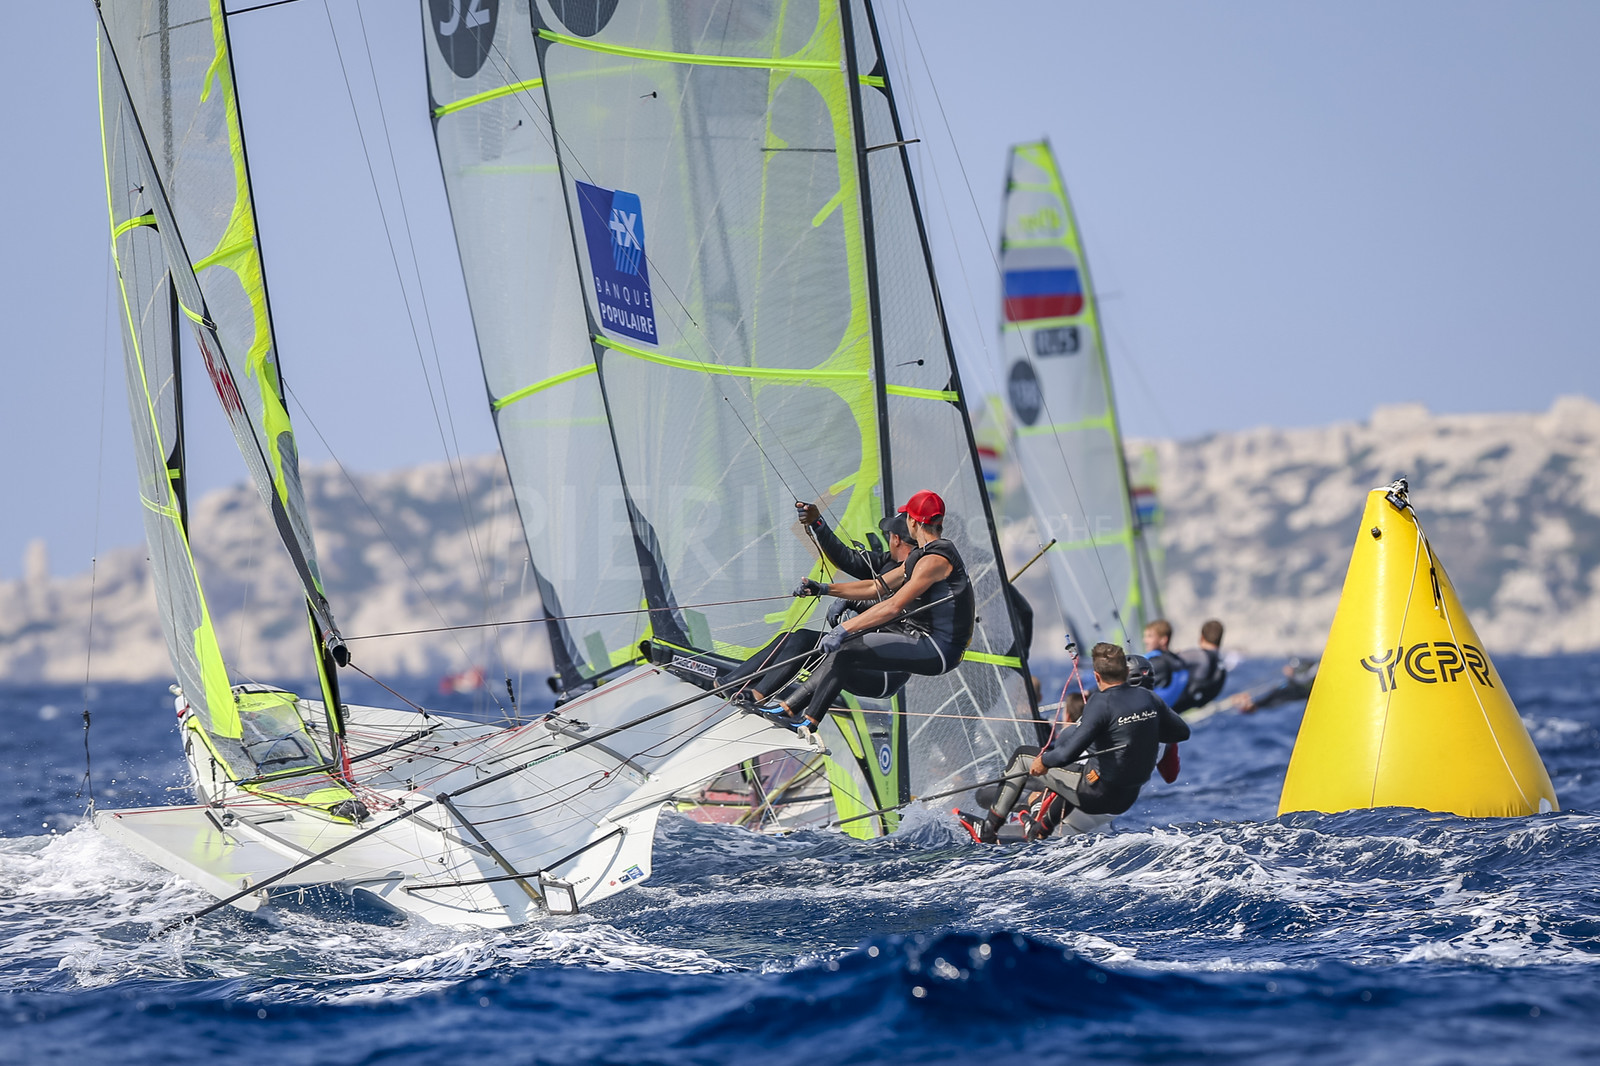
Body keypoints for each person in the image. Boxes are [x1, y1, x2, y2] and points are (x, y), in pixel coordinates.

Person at [774, 490, 973, 733]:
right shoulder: (922, 556)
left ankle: (804, 720)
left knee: (847, 646)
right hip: (923, 639)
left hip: (939, 649)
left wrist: (843, 629)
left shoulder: (935, 560)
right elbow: (875, 586)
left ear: (912, 521)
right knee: (847, 649)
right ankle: (790, 710)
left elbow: (892, 606)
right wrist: (824, 589)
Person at [962, 642, 1190, 843]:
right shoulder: (1154, 704)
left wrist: (1043, 761)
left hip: (1091, 796)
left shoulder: (1103, 704)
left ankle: (990, 830)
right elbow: (1177, 751)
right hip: (1120, 803)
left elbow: (1064, 751)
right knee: (1080, 774)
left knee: (1012, 769)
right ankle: (1040, 830)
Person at [723, 508, 916, 703]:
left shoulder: (919, 573)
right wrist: (818, 524)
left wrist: (849, 600)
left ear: (896, 539)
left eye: (889, 534)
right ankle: (730, 683)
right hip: (865, 657)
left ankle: (758, 695)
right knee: (789, 638)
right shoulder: (888, 562)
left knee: (804, 640)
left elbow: (894, 607)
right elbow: (847, 559)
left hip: (884, 672)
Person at [1171, 619, 1228, 713]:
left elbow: (1168, 661)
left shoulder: (1198, 655)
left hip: (1182, 705)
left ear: (1202, 637)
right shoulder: (1220, 661)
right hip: (1200, 703)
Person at [1143, 619, 1189, 707]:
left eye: (1150, 636)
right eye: (1145, 636)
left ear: (1163, 640)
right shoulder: (1178, 660)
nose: (1145, 640)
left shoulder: (1157, 663)